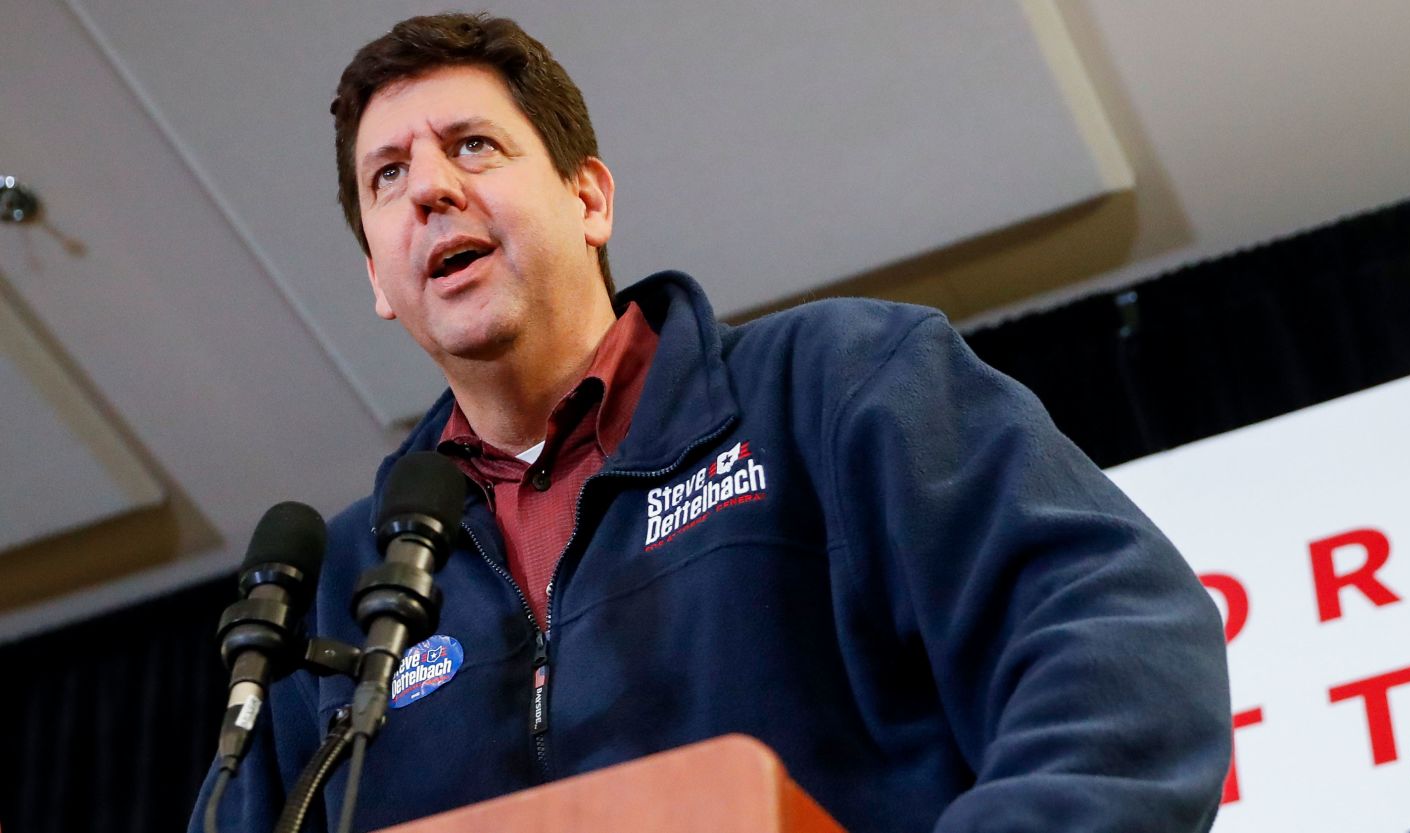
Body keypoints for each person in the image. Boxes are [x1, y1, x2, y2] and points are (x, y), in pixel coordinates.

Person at [191, 12, 1231, 833]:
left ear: (589, 197)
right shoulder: (334, 586)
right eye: (388, 176)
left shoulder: (837, 385)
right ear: (378, 278)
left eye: (473, 145)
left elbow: (1119, 643)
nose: (430, 188)